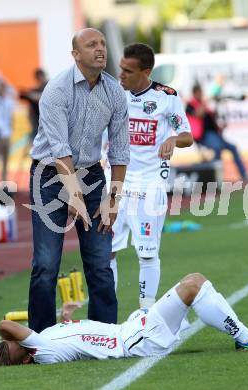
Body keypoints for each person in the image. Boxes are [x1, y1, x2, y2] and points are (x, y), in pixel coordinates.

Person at [28, 28, 130, 333]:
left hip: (92, 175)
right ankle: (42, 339)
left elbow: (120, 151)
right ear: (76, 55)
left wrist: (112, 200)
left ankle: (104, 335)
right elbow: (60, 152)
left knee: (100, 261)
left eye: (102, 43)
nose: (100, 49)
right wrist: (74, 198)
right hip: (49, 175)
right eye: (91, 45)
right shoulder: (57, 90)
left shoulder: (115, 92)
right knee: (46, 264)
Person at [0, 272, 248, 366]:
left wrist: (66, 316)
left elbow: (74, 339)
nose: (15, 337)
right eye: (12, 345)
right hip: (136, 340)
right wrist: (8, 338)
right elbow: (4, 326)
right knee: (194, 284)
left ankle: (242, 337)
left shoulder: (44, 341)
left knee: (198, 291)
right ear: (23, 359)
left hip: (132, 330)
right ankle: (247, 339)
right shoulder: (41, 351)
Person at [109, 43, 193, 308]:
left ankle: (146, 312)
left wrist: (172, 139)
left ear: (146, 71)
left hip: (150, 184)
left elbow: (187, 136)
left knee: (146, 254)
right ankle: (106, 312)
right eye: (120, 68)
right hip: (116, 184)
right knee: (105, 253)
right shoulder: (113, 93)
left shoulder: (166, 96)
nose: (121, 74)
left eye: (128, 71)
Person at [186, 84, 248, 181]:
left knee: (233, 147)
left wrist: (220, 125)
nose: (201, 94)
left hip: (215, 134)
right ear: (195, 93)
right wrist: (207, 101)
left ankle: (244, 175)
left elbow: (211, 119)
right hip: (203, 136)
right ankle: (214, 176)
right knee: (217, 147)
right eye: (199, 92)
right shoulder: (190, 105)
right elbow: (198, 115)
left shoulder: (203, 104)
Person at [19, 68, 48, 142]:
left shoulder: (48, 86)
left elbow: (42, 97)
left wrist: (29, 95)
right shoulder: (36, 89)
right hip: (36, 123)